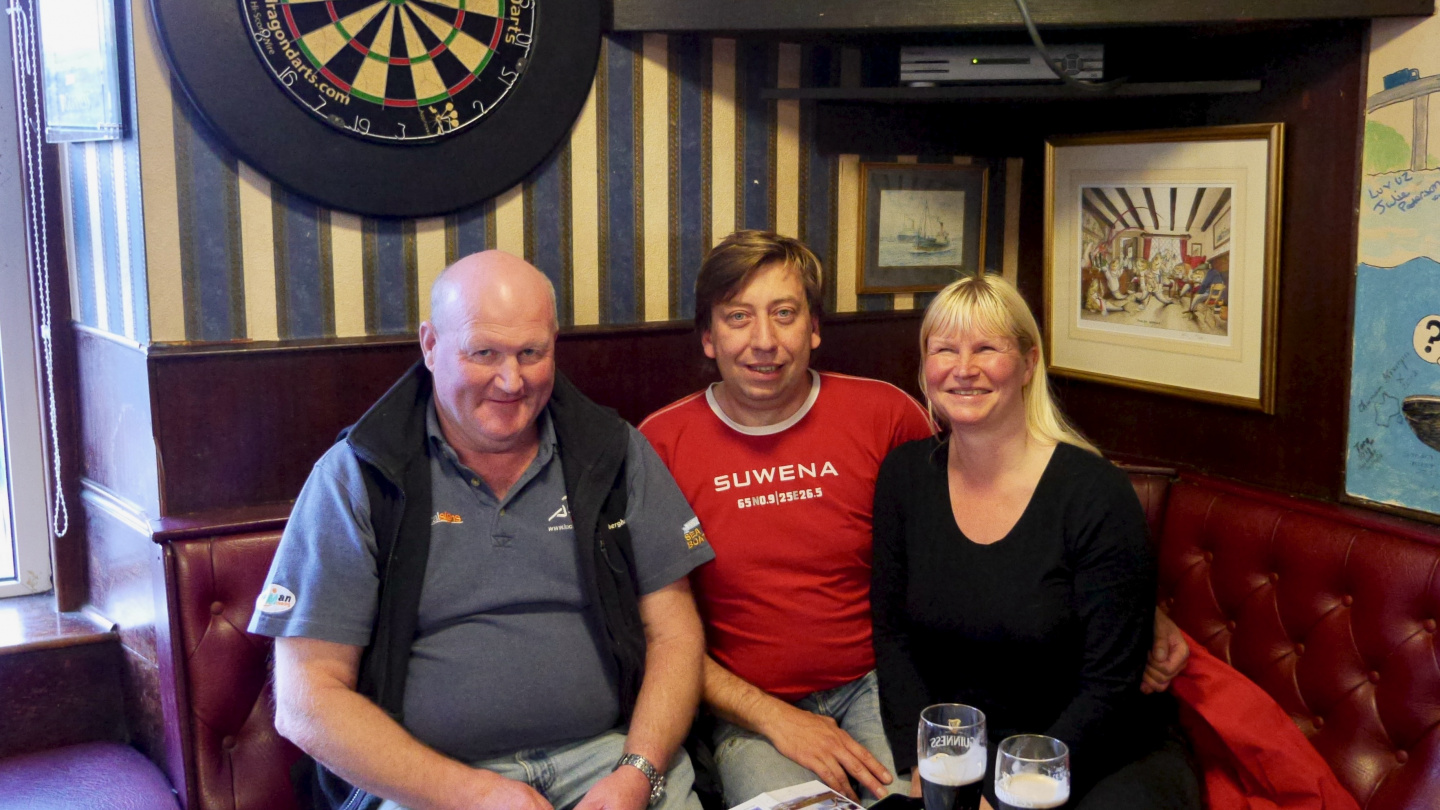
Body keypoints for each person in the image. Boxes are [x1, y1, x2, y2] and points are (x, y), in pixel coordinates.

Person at [640, 232, 1189, 808]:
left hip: (886, 692)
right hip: (755, 714)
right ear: (707, 337)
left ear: (815, 328)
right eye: (737, 317)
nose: (764, 341)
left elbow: (1000, 517)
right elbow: (658, 632)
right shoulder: (660, 444)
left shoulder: (886, 415)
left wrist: (1132, 610)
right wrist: (773, 717)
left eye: (785, 314)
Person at [249, 251, 714, 810]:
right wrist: (472, 794)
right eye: (484, 353)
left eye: (531, 353)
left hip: (607, 761)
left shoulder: (614, 453)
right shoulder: (360, 474)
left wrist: (637, 773)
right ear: (430, 345)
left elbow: (675, 635)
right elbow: (307, 701)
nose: (511, 380)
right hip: (428, 782)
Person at [871, 273, 1202, 810]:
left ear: (1028, 363)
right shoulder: (904, 477)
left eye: (986, 348)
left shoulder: (1095, 492)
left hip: (1099, 754)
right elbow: (892, 639)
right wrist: (923, 763)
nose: (963, 368)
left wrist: (1008, 792)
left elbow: (1110, 687)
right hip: (967, 752)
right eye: (945, 349)